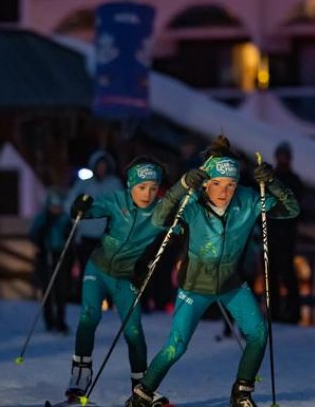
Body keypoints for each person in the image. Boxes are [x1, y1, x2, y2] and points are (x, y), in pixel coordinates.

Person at [126, 135, 300, 407]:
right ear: (206, 182)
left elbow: (291, 209)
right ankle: (142, 394)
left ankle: (241, 392)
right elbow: (159, 218)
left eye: (231, 184)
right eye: (217, 183)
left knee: (258, 333)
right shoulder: (193, 203)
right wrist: (183, 185)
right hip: (195, 287)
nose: (224, 191)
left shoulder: (248, 200)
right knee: (176, 346)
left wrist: (272, 182)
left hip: (231, 284)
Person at [65, 157, 168, 404]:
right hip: (98, 268)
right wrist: (80, 207)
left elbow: (179, 227)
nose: (147, 194)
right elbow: (88, 211)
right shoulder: (116, 200)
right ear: (131, 185)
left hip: (125, 277)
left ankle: (142, 385)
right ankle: (80, 374)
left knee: (133, 330)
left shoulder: (160, 210)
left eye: (153, 188)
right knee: (89, 316)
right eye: (142, 187)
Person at [65, 150, 124, 280]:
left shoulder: (114, 185)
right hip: (86, 236)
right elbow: (69, 203)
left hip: (106, 237)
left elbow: (122, 207)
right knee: (85, 270)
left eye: (104, 166)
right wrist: (75, 217)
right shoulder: (84, 184)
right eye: (99, 166)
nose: (101, 169)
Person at [268, 142, 303, 324]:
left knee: (287, 272)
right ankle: (275, 310)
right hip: (273, 232)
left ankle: (292, 311)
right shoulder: (272, 179)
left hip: (286, 234)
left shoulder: (293, 181)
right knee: (272, 273)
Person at [29, 190, 72, 334]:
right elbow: (33, 235)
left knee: (61, 290)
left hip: (59, 255)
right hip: (45, 255)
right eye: (53, 206)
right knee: (47, 289)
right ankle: (49, 319)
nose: (56, 209)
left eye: (58, 206)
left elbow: (71, 235)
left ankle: (61, 320)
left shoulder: (64, 219)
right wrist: (41, 236)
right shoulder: (42, 218)